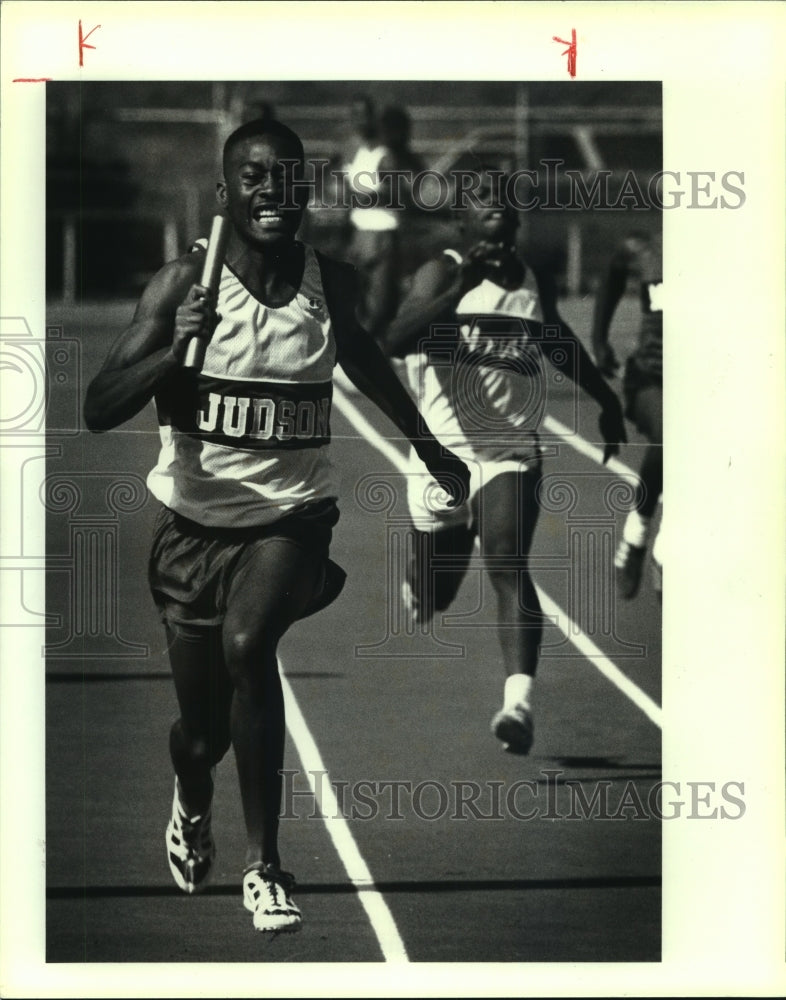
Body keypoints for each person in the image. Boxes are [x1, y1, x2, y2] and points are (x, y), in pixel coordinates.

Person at [83, 118, 469, 934]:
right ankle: (192, 796)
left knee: (249, 645)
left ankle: (265, 867)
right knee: (201, 734)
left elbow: (364, 358)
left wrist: (432, 451)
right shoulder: (182, 286)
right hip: (193, 531)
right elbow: (96, 407)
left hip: (293, 519)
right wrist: (173, 351)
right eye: (253, 178)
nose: (271, 192)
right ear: (225, 193)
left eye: (285, 177)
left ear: (305, 189)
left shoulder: (328, 281)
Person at [384, 166, 626, 755]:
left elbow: (559, 343)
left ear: (516, 220)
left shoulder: (530, 280)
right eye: (482, 202)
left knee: (508, 562)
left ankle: (517, 702)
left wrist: (606, 401)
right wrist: (458, 285)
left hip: (509, 444)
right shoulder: (440, 270)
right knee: (435, 595)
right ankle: (430, 565)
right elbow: (392, 339)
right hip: (442, 449)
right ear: (461, 220)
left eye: (506, 203)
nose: (497, 208)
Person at [591, 229, 663, 600]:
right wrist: (599, 338)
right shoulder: (647, 248)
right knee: (672, 435)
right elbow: (615, 269)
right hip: (651, 380)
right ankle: (636, 536)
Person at [342, 99, 426, 345]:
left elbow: (403, 196)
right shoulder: (354, 151)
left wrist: (368, 197)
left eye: (366, 116)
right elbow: (345, 191)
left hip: (383, 232)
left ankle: (370, 354)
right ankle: (358, 353)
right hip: (359, 232)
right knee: (354, 301)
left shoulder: (387, 155)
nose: (361, 122)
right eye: (355, 115)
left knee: (380, 305)